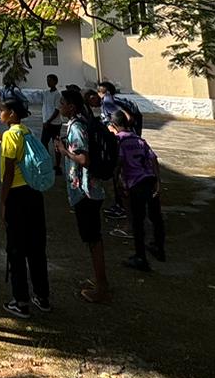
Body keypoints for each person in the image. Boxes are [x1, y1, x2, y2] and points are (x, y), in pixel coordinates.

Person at [54, 86, 110, 303]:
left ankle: (102, 287)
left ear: (71, 106)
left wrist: (64, 151)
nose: (60, 107)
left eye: (62, 103)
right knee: (91, 238)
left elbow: (84, 159)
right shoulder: (82, 123)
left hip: (86, 190)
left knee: (93, 238)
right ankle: (99, 280)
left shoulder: (77, 127)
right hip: (88, 189)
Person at [0, 95, 50, 315]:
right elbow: (20, 157)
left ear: (12, 114)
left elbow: (9, 171)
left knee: (17, 248)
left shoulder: (11, 135)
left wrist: (3, 200)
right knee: (36, 247)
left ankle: (20, 301)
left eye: (2, 110)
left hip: (17, 194)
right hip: (34, 193)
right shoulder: (26, 132)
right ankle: (42, 296)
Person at [113, 110, 166, 271]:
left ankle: (140, 257)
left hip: (135, 183)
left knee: (138, 221)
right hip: (149, 179)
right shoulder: (139, 139)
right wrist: (157, 180)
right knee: (155, 216)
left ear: (114, 125)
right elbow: (153, 158)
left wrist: (117, 182)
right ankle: (159, 247)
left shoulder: (119, 141)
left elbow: (119, 162)